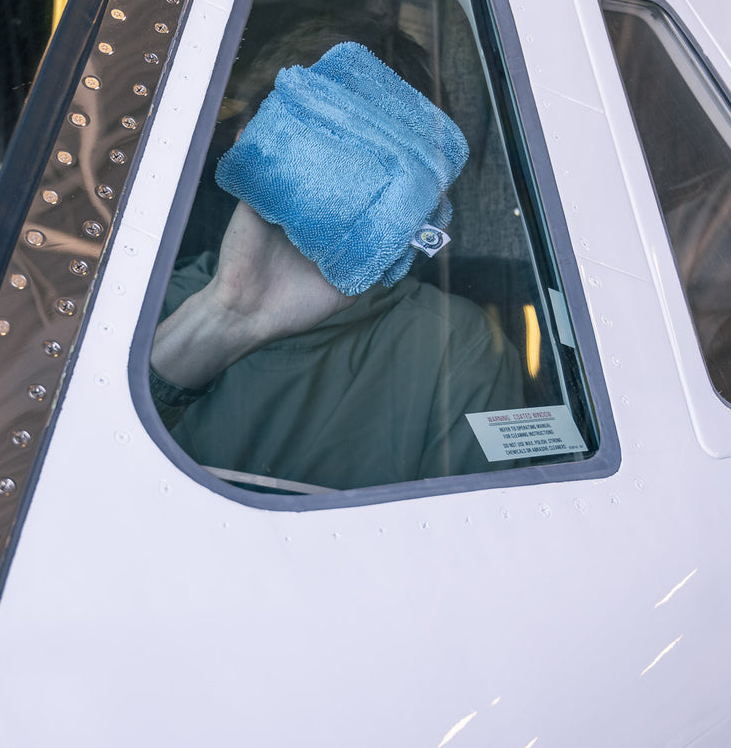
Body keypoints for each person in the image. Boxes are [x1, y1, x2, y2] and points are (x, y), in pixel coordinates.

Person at [149, 31, 523, 493]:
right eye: (318, 141)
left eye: (371, 163)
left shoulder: (456, 346)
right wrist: (227, 313)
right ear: (248, 142)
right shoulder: (140, 309)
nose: (339, 176)